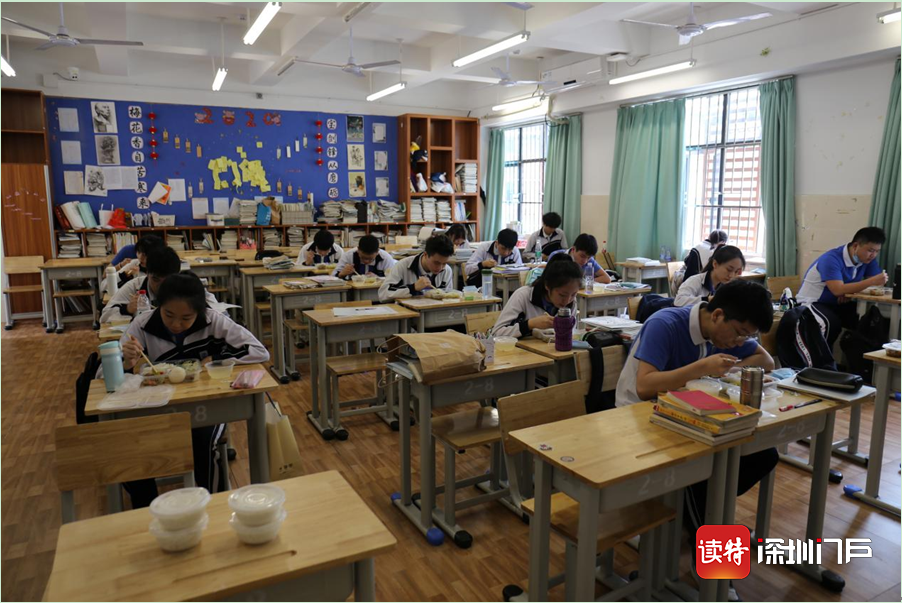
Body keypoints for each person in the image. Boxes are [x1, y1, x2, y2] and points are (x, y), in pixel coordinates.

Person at [615, 280, 776, 601]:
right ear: (717, 315)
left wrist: (727, 370)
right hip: (640, 419)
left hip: (689, 414)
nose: (740, 341)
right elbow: (645, 386)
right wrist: (702, 368)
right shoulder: (665, 324)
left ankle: (701, 519)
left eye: (747, 336)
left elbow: (766, 362)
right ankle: (716, 567)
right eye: (740, 333)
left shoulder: (725, 333)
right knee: (702, 470)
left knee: (763, 454)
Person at [119, 272, 269, 505]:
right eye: (169, 315)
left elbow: (259, 351)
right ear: (158, 306)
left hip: (206, 403)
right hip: (160, 404)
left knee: (204, 443)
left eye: (186, 318)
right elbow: (104, 374)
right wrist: (126, 362)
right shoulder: (143, 324)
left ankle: (214, 507)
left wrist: (217, 358)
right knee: (132, 448)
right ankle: (149, 509)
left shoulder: (213, 320)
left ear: (199, 311)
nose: (176, 324)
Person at [797, 227, 888, 347]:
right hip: (813, 302)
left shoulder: (867, 260)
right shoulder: (831, 259)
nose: (873, 255)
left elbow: (878, 285)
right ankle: (821, 358)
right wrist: (868, 282)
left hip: (839, 303)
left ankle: (859, 358)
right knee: (831, 324)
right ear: (856, 246)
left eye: (877, 251)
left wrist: (850, 292)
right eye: (870, 250)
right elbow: (838, 290)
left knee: (872, 321)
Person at [101, 247, 217, 323]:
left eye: (167, 281)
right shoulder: (135, 286)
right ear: (147, 274)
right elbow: (104, 316)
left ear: (177, 275)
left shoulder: (188, 285)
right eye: (156, 280)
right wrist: (127, 309)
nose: (162, 287)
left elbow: (217, 311)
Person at [492, 254, 581, 338]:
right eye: (562, 295)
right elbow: (496, 334)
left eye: (573, 294)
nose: (567, 301)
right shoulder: (523, 296)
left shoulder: (571, 302)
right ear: (547, 285)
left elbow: (570, 334)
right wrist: (529, 325)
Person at [379, 234, 454, 300]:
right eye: (436, 263)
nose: (440, 268)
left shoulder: (446, 270)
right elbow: (382, 295)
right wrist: (413, 288)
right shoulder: (402, 266)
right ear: (425, 255)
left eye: (444, 263)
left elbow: (448, 298)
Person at [674, 245, 745, 307]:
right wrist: (707, 299)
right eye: (729, 269)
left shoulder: (726, 285)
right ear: (715, 264)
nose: (732, 275)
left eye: (736, 271)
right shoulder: (695, 281)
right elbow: (678, 301)